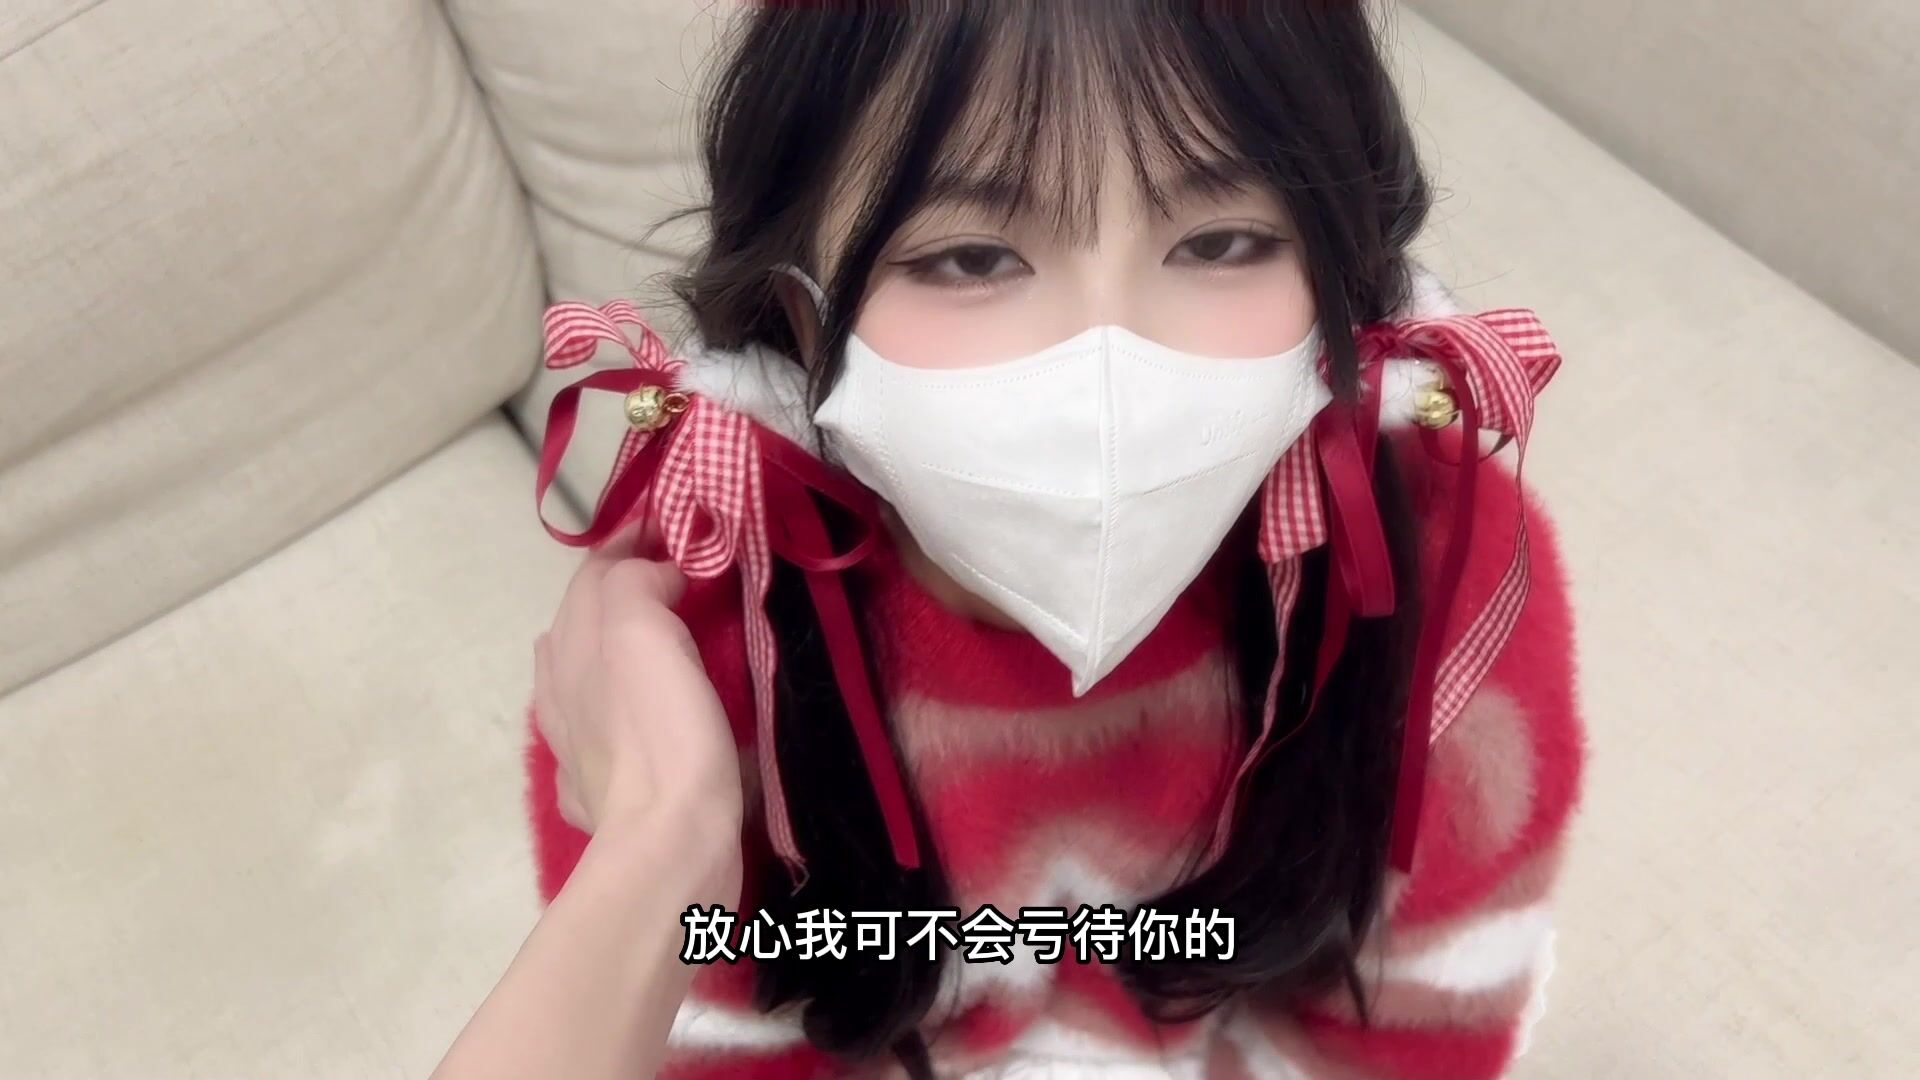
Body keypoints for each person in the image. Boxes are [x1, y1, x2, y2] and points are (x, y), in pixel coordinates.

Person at [515, 2, 1585, 1077]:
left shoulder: (1440, 570)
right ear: (797, 312)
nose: (1106, 369)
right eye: (970, 257)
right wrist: (658, 839)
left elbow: (1417, 1033)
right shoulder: (687, 653)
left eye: (1221, 241)